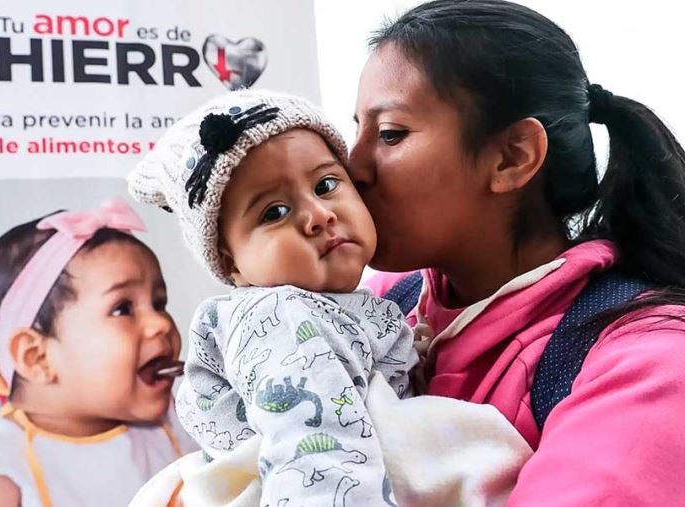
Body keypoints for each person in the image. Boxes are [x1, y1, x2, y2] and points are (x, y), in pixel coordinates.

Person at [128, 90, 533, 507]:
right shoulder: (278, 317)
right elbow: (315, 453)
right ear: (233, 265)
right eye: (274, 212)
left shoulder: (342, 305)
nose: (319, 215)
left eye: (325, 185)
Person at [350, 0, 685, 504]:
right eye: (355, 128)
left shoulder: (647, 365)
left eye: (389, 134)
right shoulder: (379, 306)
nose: (352, 167)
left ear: (513, 156)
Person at [0, 197, 193, 507]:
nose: (161, 323)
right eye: (122, 309)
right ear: (37, 357)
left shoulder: (179, 422)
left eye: (159, 303)